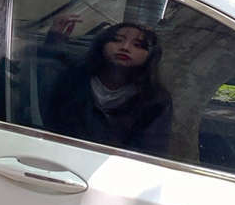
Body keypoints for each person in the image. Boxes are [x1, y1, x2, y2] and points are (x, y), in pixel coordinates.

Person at [40, 16, 172, 156]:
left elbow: (150, 152)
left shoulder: (155, 100)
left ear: (150, 55)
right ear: (102, 44)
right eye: (117, 40)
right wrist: (55, 38)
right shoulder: (75, 78)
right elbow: (46, 114)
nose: (125, 48)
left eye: (138, 45)